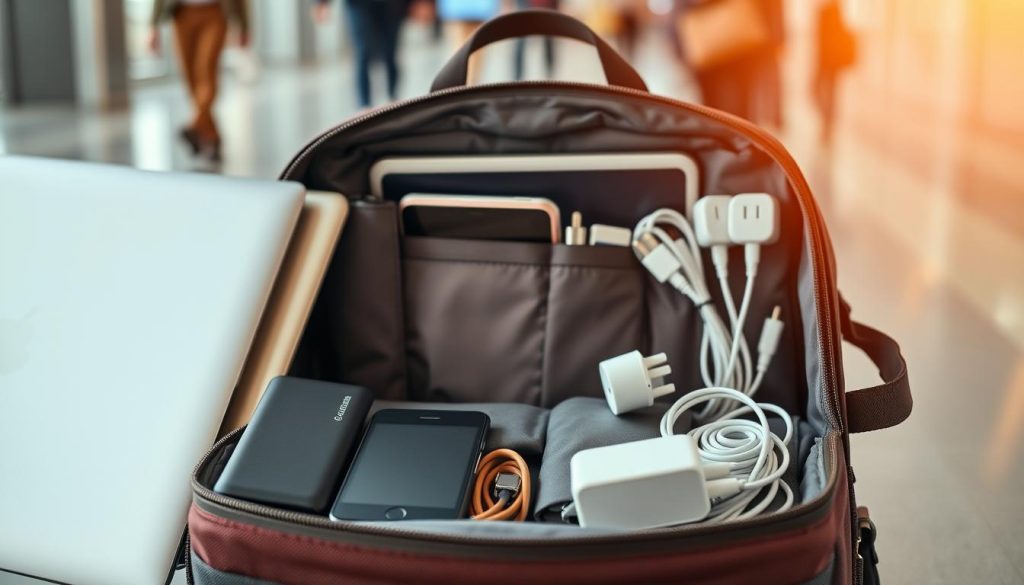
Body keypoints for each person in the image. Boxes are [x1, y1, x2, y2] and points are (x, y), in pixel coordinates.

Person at [149, 0, 249, 162]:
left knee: (207, 72)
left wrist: (244, 25)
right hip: (182, 14)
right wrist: (153, 25)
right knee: (191, 80)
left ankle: (194, 125)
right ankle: (212, 136)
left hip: (215, 12)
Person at [314, 0, 411, 109]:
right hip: (358, 4)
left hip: (391, 4)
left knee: (390, 51)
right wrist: (321, 2)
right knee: (362, 51)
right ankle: (364, 105)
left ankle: (392, 98)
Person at [813, 0, 856, 143]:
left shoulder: (826, 12)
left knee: (824, 92)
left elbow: (821, 41)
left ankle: (827, 123)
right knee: (830, 93)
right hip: (831, 62)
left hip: (827, 61)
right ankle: (827, 122)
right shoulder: (836, 11)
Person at [512, 0, 560, 81]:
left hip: (548, 5)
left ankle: (550, 78)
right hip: (525, 5)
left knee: (549, 40)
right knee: (521, 39)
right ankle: (517, 78)